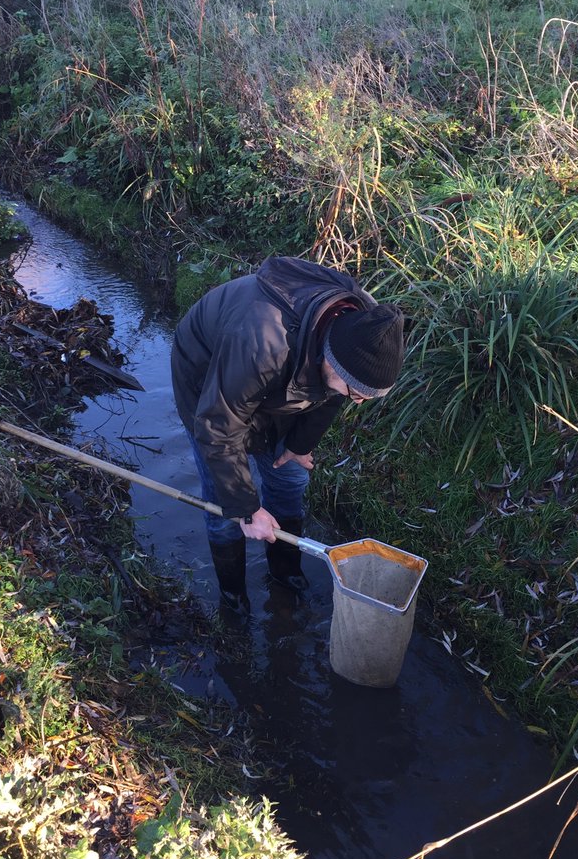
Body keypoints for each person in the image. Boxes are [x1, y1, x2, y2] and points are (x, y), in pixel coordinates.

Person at [171, 255, 405, 614]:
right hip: (209, 379)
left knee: (288, 480)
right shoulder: (261, 342)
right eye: (356, 391)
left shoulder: (364, 329)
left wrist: (298, 445)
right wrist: (247, 509)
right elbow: (218, 426)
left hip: (283, 382)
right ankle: (233, 595)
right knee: (224, 507)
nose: (358, 402)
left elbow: (331, 392)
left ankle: (285, 571)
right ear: (330, 359)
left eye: (366, 395)